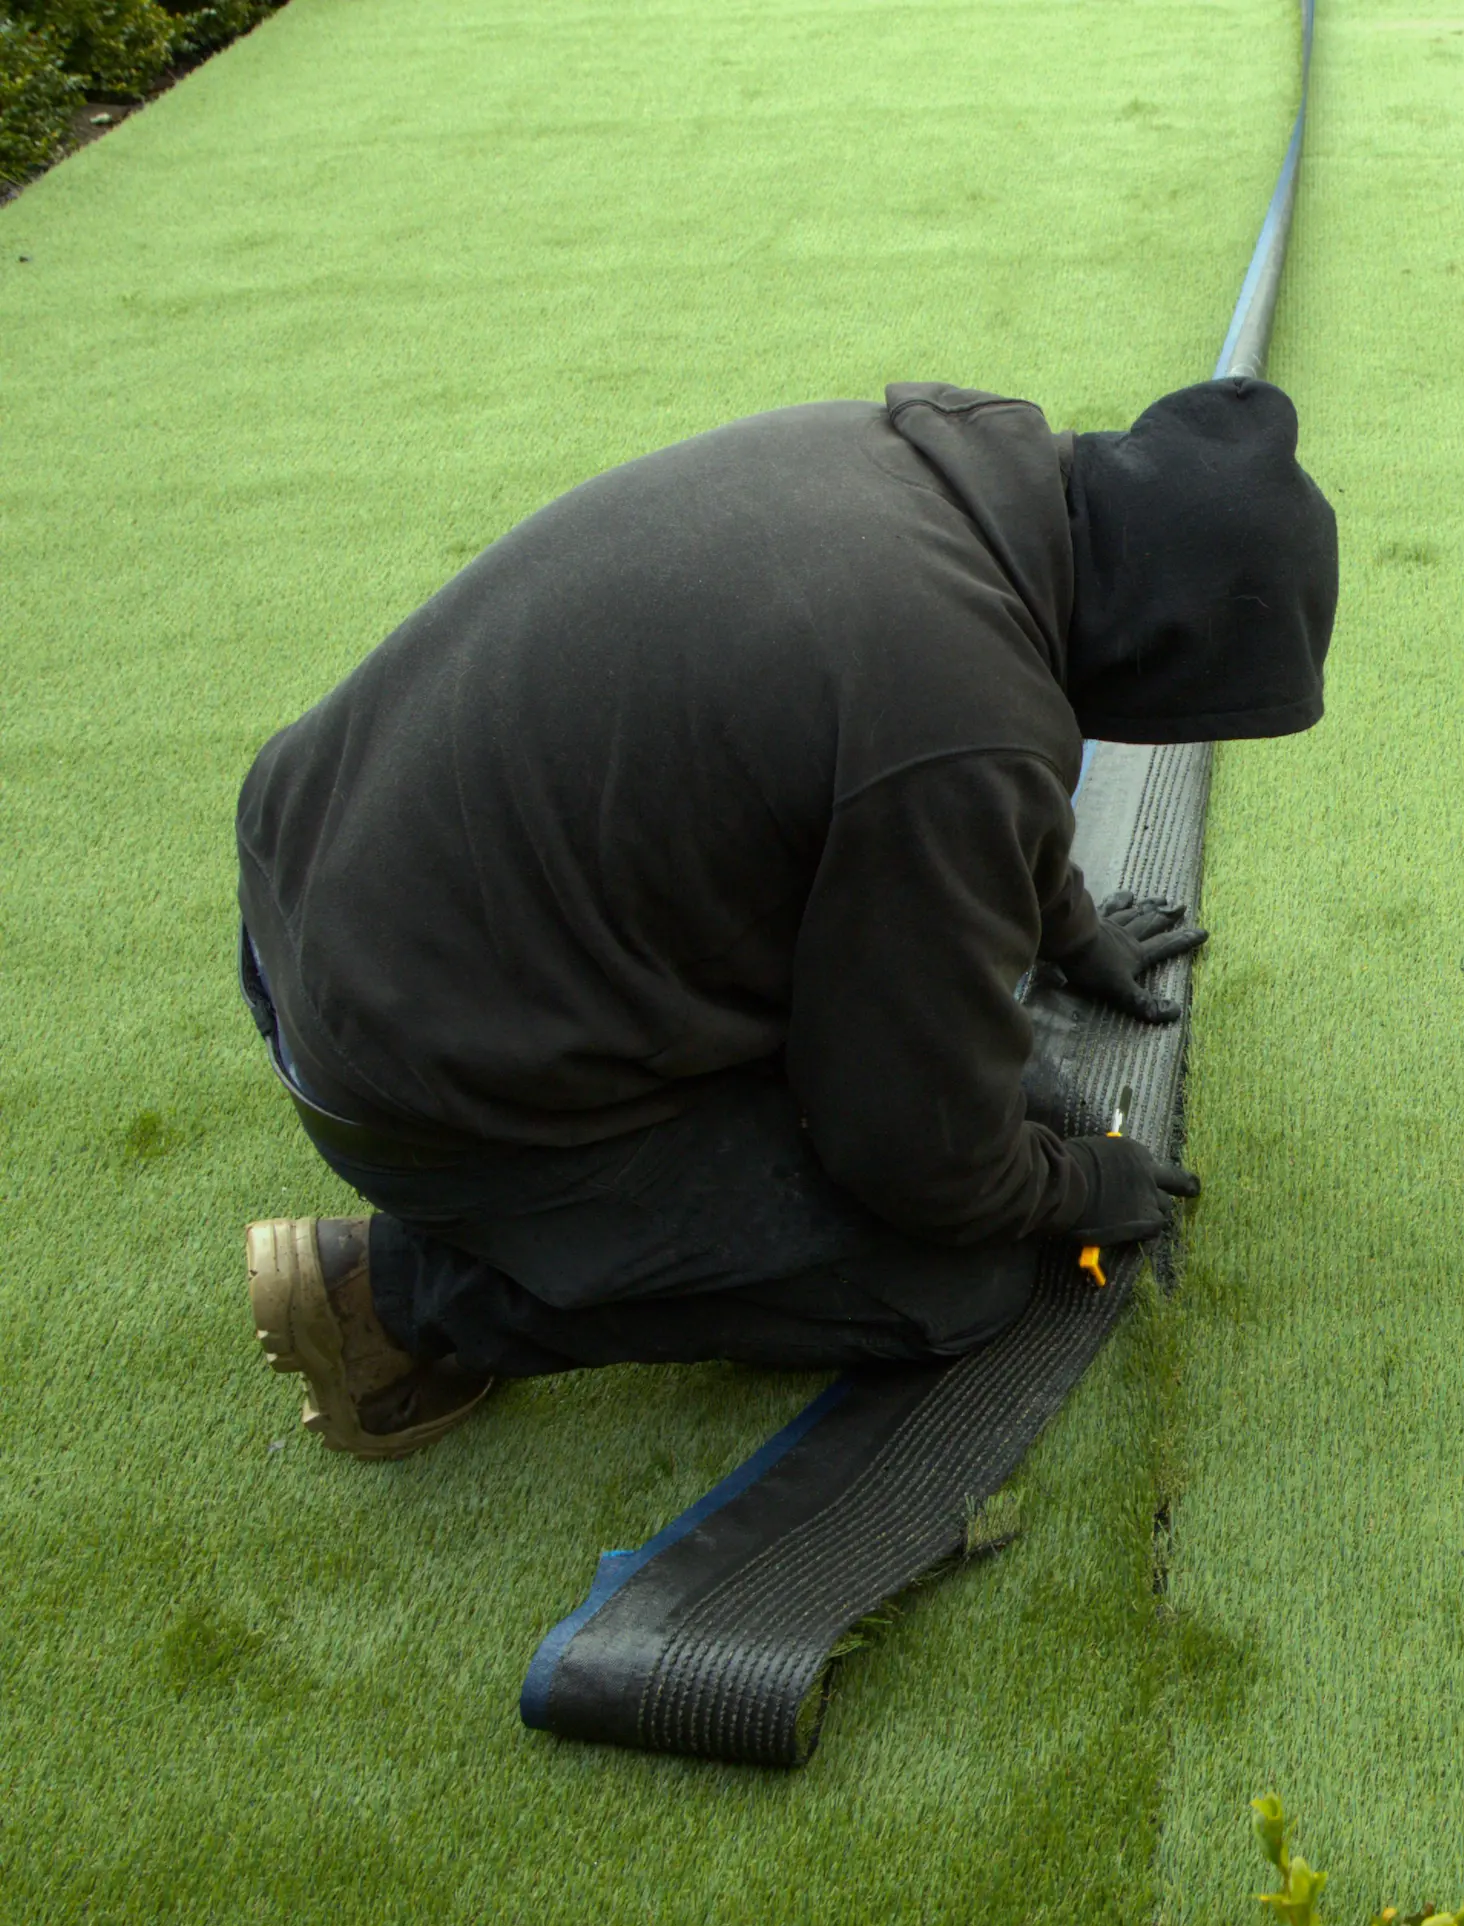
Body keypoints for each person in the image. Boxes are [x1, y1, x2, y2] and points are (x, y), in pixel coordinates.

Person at [233, 377, 1338, 1461]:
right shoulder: (959, 724)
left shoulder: (920, 476)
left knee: (1012, 1090)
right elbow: (917, 1163)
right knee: (962, 1277)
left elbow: (925, 763)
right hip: (423, 1083)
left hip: (315, 899)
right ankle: (395, 1300)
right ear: (1153, 649)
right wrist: (1083, 1186)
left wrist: (1070, 928)